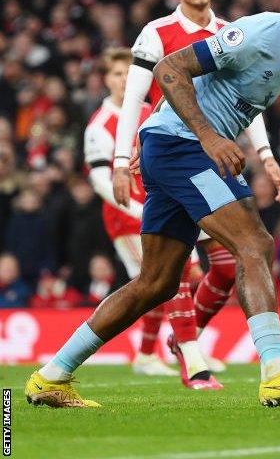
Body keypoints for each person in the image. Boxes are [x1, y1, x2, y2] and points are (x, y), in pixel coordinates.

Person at [26, 0, 280, 408]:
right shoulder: (261, 32)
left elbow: (227, 99)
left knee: (156, 283)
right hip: (183, 148)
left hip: (177, 149)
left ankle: (52, 375)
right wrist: (205, 137)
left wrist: (242, 149)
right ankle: (277, 371)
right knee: (254, 243)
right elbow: (170, 69)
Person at [110, 0, 280, 387]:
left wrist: (266, 156)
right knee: (180, 264)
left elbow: (253, 105)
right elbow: (134, 98)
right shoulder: (157, 32)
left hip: (214, 158)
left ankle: (188, 339)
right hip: (171, 154)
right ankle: (194, 360)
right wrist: (119, 157)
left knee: (228, 265)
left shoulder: (234, 32)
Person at [83, 48, 182, 377]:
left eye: (128, 73)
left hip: (160, 207)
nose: (124, 80)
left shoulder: (149, 112)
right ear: (105, 79)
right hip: (128, 218)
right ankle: (180, 351)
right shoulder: (100, 125)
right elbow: (100, 181)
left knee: (171, 279)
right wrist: (139, 210)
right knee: (159, 279)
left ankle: (157, 353)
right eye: (116, 74)